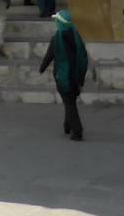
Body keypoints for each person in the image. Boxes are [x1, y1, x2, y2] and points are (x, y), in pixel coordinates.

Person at [38, 9, 90, 141]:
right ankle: (67, 125)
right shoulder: (75, 34)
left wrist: (42, 68)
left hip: (64, 75)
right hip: (76, 75)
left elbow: (49, 55)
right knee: (70, 100)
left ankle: (77, 131)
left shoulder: (57, 38)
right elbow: (83, 55)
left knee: (69, 103)